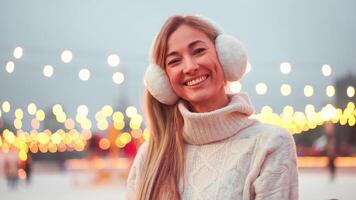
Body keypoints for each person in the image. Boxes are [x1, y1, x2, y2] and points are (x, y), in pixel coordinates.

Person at [125, 15, 299, 200]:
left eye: (199, 51)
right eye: (174, 61)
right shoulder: (150, 156)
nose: (190, 67)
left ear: (225, 56)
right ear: (163, 81)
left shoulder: (270, 144)